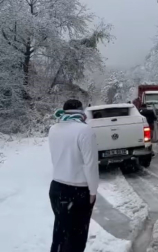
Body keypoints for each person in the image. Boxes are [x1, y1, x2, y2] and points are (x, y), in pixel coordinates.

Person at [48, 99, 99, 252]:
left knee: (60, 234)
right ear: (81, 111)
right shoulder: (84, 130)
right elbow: (90, 164)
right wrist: (93, 191)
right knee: (76, 238)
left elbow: (54, 157)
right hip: (78, 191)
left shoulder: (54, 129)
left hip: (56, 188)